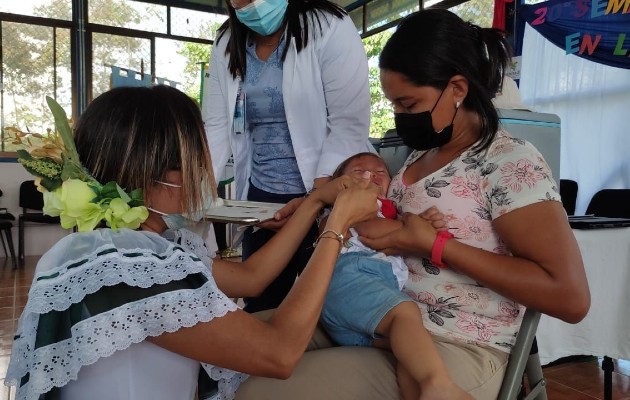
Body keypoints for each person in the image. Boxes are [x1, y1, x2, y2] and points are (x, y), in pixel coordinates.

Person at [236, 9, 590, 399]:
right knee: (238, 349)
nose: (398, 116)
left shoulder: (508, 162)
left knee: (262, 392)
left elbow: (569, 297)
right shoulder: (415, 160)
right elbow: (385, 225)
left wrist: (435, 246)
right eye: (393, 105)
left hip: (452, 341)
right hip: (377, 313)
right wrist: (316, 206)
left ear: (457, 89)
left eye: (408, 104)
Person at [4, 85, 381, 400]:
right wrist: (337, 226)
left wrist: (316, 202)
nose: (205, 175)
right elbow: (278, 353)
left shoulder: (145, 244)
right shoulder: (119, 264)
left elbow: (251, 278)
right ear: (156, 172)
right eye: (198, 159)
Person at [202, 0, 373, 312]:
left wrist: (317, 200)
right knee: (262, 300)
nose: (250, 3)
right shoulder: (227, 40)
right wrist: (195, 196)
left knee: (326, 305)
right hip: (261, 199)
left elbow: (348, 123)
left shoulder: (328, 25)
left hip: (323, 188)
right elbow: (217, 126)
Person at [320, 152, 471, 400]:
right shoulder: (346, 209)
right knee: (405, 313)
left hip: (357, 315)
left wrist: (419, 227)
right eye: (358, 172)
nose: (370, 176)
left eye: (380, 172)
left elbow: (394, 231)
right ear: (338, 186)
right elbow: (372, 231)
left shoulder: (386, 211)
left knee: (412, 350)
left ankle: (420, 393)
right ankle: (439, 386)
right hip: (348, 280)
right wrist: (423, 231)